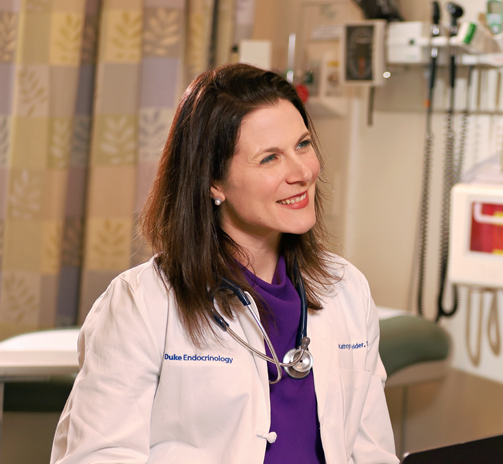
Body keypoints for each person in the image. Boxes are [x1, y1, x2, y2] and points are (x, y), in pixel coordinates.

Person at [51, 64, 398, 464]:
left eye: (302, 144)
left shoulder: (346, 289)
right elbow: (99, 457)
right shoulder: (143, 303)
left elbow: (372, 453)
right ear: (213, 181)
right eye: (269, 158)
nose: (302, 172)